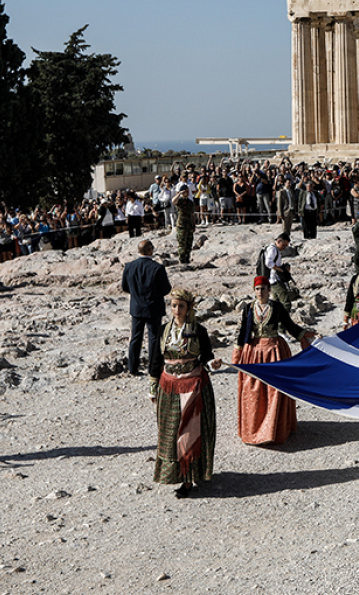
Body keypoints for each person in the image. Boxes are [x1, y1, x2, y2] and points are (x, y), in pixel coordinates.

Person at [150, 288, 222, 497]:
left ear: (189, 307)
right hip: (169, 387)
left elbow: (206, 356)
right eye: (173, 305)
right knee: (171, 432)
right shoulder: (164, 330)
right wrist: (153, 387)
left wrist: (212, 363)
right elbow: (156, 360)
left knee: (190, 433)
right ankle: (176, 474)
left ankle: (189, 478)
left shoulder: (198, 330)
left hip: (194, 388)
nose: (177, 310)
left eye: (181, 305)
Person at [233, 277, 316, 445]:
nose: (260, 292)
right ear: (254, 290)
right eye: (257, 289)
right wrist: (237, 353)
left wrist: (306, 334)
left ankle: (274, 430)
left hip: (274, 351)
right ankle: (254, 430)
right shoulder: (249, 308)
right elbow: (243, 332)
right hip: (254, 352)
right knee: (253, 391)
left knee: (275, 390)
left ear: (269, 289)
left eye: (263, 288)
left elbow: (290, 325)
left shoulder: (277, 307)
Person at [121, 240, 171, 376]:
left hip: (136, 307)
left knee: (136, 337)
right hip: (153, 306)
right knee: (154, 337)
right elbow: (166, 289)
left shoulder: (129, 266)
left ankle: (132, 368)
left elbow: (125, 287)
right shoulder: (157, 268)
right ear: (150, 250)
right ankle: (153, 368)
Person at [263, 233, 296, 309]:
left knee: (275, 303)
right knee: (286, 303)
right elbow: (268, 262)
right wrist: (280, 269)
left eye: (286, 246)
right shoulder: (273, 249)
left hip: (273, 280)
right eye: (283, 245)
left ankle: (274, 319)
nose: (284, 248)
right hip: (275, 280)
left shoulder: (274, 249)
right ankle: (284, 320)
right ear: (278, 241)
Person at [173, 185, 195, 264]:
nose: (187, 192)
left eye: (188, 191)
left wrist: (194, 225)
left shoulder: (190, 202)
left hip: (189, 225)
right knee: (182, 244)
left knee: (189, 243)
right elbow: (173, 201)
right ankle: (182, 260)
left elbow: (192, 214)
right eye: (186, 191)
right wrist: (179, 193)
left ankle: (187, 259)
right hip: (181, 225)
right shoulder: (180, 201)